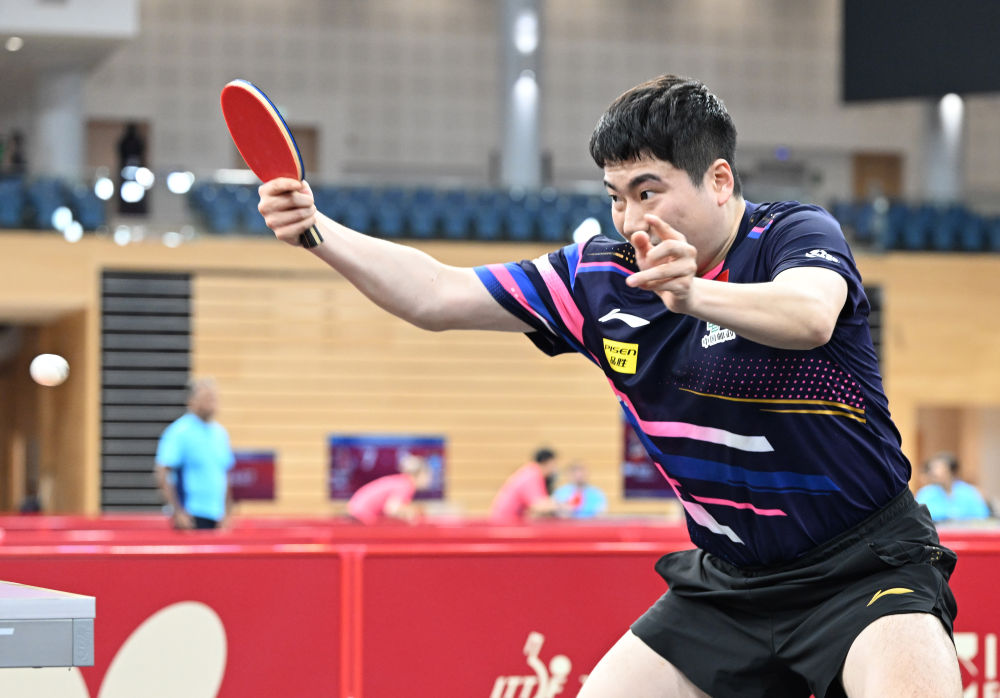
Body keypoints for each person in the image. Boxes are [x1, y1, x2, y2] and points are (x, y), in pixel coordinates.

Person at [257, 74, 961, 697]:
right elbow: (437, 294)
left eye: (648, 192)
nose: (630, 220)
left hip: (864, 569)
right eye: (616, 197)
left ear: (719, 181)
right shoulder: (598, 278)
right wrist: (319, 231)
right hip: (730, 585)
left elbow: (809, 315)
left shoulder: (791, 233)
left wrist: (693, 296)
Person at [154, 378, 235, 530]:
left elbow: (225, 475)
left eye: (213, 398)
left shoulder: (220, 434)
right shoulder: (179, 432)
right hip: (191, 515)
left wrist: (227, 512)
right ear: (191, 401)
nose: (211, 402)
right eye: (206, 398)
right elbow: (163, 472)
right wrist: (177, 512)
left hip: (216, 515)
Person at [347, 454, 433, 524]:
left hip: (356, 512)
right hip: (361, 516)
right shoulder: (406, 485)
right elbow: (392, 509)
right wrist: (412, 514)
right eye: (427, 476)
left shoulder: (402, 481)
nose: (429, 480)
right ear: (420, 474)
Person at [488, 447, 562, 523]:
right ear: (547, 462)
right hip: (504, 523)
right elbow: (539, 505)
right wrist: (562, 506)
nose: (555, 469)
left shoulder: (531, 472)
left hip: (509, 521)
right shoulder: (532, 475)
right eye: (554, 464)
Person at [915, 451, 991, 522]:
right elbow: (918, 516)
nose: (934, 472)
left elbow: (982, 516)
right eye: (932, 468)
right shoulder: (926, 493)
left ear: (951, 471)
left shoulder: (969, 492)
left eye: (938, 468)